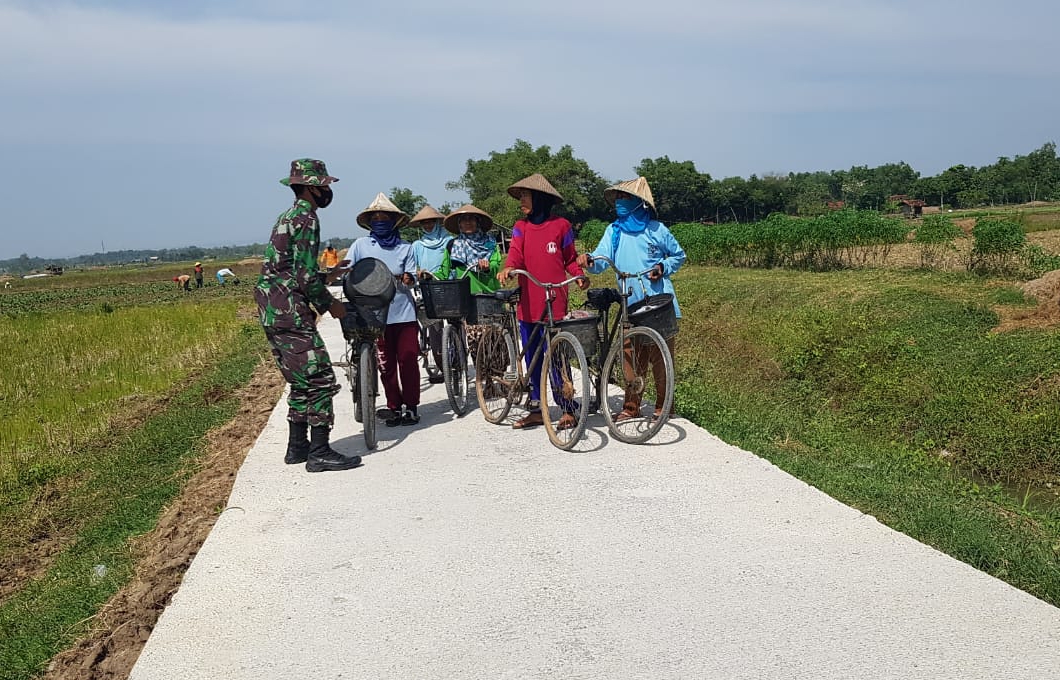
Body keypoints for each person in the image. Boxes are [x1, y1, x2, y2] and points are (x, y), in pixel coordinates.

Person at [254, 158, 361, 473]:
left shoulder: (288, 216)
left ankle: (297, 447)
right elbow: (302, 278)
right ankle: (320, 452)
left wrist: (329, 273)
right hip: (289, 309)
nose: (328, 191)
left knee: (300, 380)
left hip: (273, 308)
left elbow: (291, 268)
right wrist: (332, 306)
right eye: (325, 185)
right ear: (313, 187)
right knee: (320, 378)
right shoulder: (306, 218)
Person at [577, 176, 686, 419]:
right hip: (630, 302)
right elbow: (601, 259)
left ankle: (663, 405)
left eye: (624, 197)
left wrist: (663, 267)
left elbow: (678, 255)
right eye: (617, 198)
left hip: (659, 303)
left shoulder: (656, 230)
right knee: (631, 358)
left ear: (639, 202)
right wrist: (589, 260)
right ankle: (631, 407)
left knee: (660, 358)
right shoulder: (614, 231)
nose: (619, 202)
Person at [497, 173, 588, 430]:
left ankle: (568, 408)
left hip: (555, 301)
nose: (522, 201)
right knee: (534, 360)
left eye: (526, 196)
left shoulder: (562, 226)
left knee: (558, 357)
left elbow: (570, 258)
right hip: (529, 302)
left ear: (540, 198)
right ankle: (537, 407)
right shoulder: (520, 227)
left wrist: (579, 277)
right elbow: (515, 253)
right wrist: (509, 268)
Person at [348, 193, 421, 426]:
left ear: (393, 221)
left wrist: (409, 279)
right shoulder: (360, 245)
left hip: (403, 312)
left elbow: (412, 276)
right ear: (370, 223)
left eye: (384, 218)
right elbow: (349, 268)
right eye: (376, 218)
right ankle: (394, 406)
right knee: (386, 365)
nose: (380, 221)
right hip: (373, 315)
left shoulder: (405, 248)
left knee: (408, 360)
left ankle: (411, 406)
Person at [438, 204, 503, 366]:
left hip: (489, 296)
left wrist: (487, 267)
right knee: (476, 343)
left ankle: (499, 377)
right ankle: (483, 380)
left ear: (478, 222)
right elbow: (444, 270)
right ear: (459, 224)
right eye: (463, 220)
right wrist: (429, 275)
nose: (468, 223)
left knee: (496, 341)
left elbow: (496, 264)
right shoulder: (453, 245)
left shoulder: (490, 243)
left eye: (471, 219)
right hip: (466, 298)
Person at [410, 205, 451, 383]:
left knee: (455, 324)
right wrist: (417, 273)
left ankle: (458, 358)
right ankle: (442, 364)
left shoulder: (449, 241)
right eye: (424, 223)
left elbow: (454, 265)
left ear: (437, 222)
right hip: (427, 288)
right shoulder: (417, 245)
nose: (427, 225)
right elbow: (413, 268)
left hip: (448, 287)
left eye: (430, 222)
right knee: (435, 329)